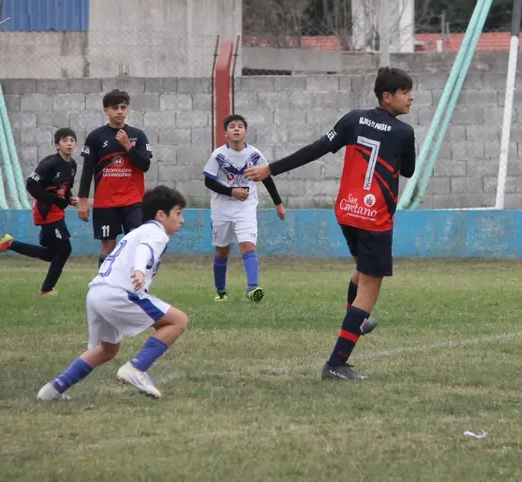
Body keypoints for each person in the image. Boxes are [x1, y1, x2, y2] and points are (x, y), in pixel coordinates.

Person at [246, 67, 416, 380]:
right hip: (374, 216)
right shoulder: (404, 133)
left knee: (361, 271)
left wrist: (272, 169)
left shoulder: (353, 119)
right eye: (406, 92)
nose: (411, 98)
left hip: (347, 211)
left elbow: (317, 148)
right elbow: (408, 171)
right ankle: (336, 364)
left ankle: (357, 323)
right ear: (387, 96)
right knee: (369, 288)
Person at [36, 185, 189, 401]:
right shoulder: (156, 232)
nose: (181, 220)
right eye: (178, 213)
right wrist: (138, 269)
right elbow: (145, 250)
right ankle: (137, 368)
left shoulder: (138, 231)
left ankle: (53, 389)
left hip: (97, 291)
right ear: (161, 215)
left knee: (107, 349)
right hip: (118, 293)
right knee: (178, 321)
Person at [203, 114, 286, 303]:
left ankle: (252, 288)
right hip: (221, 208)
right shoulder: (218, 155)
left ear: (246, 132)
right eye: (232, 126)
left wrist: (278, 204)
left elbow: (267, 178)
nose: (237, 129)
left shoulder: (254, 155)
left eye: (240, 126)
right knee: (222, 251)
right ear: (226, 133)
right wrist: (231, 192)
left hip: (246, 207)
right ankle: (221, 292)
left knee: (247, 245)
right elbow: (209, 181)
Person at [0, 128, 78, 295]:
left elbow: (64, 189)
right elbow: (31, 184)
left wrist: (70, 198)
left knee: (53, 254)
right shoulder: (49, 163)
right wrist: (53, 200)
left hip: (58, 211)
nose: (69, 143)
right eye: (64, 140)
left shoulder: (72, 165)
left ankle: (10, 244)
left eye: (72, 140)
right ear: (57, 145)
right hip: (46, 211)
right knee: (64, 250)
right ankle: (46, 290)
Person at [76, 89, 153, 269]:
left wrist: (128, 146)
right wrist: (83, 201)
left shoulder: (137, 135)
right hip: (106, 202)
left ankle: (134, 287)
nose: (119, 111)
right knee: (108, 247)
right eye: (115, 107)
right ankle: (104, 286)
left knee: (136, 242)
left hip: (133, 200)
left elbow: (145, 165)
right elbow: (87, 170)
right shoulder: (95, 137)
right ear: (106, 111)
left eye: (123, 107)